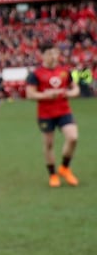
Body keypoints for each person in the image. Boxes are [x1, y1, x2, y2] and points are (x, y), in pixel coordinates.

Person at [25, 43, 80, 188]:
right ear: (42, 55)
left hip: (64, 111)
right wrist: (46, 95)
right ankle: (53, 175)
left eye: (55, 53)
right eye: (50, 53)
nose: (53, 56)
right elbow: (30, 94)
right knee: (49, 144)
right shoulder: (35, 74)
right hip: (46, 114)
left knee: (73, 138)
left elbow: (76, 90)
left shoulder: (65, 71)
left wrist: (68, 93)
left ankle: (64, 168)